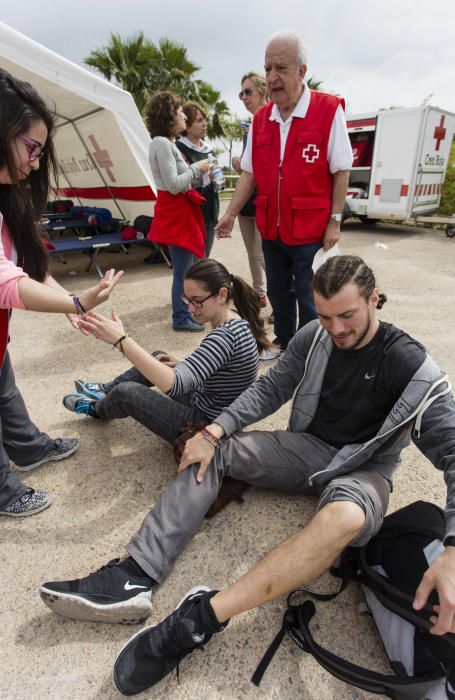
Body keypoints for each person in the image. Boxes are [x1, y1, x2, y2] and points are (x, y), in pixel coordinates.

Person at [40, 255, 455, 694]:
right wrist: (214, 430)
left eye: (348, 315)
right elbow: (271, 388)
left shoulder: (410, 364)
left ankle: (200, 619)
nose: (335, 329)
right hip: (309, 449)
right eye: (325, 315)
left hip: (366, 470)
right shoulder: (315, 336)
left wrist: (451, 546)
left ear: (374, 299)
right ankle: (134, 576)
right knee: (212, 450)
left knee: (346, 521)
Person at [0, 69, 122, 517]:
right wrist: (74, 303)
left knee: (5, 392)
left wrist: (70, 302)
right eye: (31, 148)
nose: (35, 162)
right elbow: (6, 282)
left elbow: (24, 265)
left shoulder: (6, 193)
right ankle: (4, 491)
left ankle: (29, 448)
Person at [216, 30, 353, 354]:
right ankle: (285, 341)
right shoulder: (262, 119)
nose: (272, 77)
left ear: (302, 71)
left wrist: (335, 221)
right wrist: (231, 214)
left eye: (281, 68)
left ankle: (309, 351)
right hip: (272, 225)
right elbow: (248, 173)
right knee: (278, 291)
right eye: (267, 69)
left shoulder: (328, 110)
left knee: (310, 294)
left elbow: (341, 169)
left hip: (310, 228)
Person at [61, 258, 272, 454]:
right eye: (187, 299)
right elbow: (223, 371)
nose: (189, 308)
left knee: (127, 392)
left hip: (207, 425)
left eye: (197, 301)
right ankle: (104, 391)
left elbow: (175, 385)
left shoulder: (224, 337)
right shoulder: (235, 320)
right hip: (212, 403)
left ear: (222, 294)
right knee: (158, 357)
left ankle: (97, 409)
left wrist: (121, 340)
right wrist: (179, 364)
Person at [144, 91, 210, 332]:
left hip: (178, 212)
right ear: (169, 114)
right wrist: (196, 168)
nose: (184, 114)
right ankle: (181, 318)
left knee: (185, 268)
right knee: (182, 270)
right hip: (176, 214)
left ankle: (184, 315)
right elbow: (173, 185)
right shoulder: (162, 143)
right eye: (180, 110)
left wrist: (197, 174)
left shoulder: (163, 143)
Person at [231, 73, 268, 312]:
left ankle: (281, 300)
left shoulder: (272, 122)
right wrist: (238, 160)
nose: (244, 97)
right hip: (247, 202)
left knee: (267, 256)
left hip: (265, 200)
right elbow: (249, 165)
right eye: (241, 93)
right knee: (253, 254)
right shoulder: (250, 125)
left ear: (263, 91)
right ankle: (260, 295)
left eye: (248, 91)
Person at [176, 102, 219, 257]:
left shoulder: (208, 149)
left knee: (204, 258)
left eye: (204, 119)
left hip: (210, 212)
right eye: (199, 120)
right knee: (193, 266)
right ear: (187, 126)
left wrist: (217, 178)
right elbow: (179, 182)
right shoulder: (179, 149)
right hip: (192, 215)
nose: (205, 124)